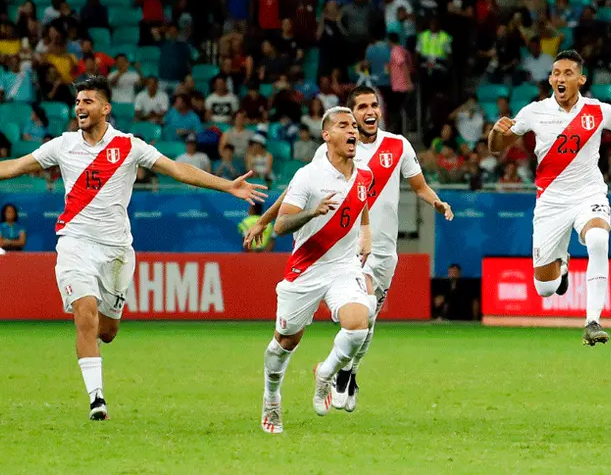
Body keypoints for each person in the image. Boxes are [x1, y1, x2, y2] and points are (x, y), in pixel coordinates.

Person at [0, 76, 265, 421]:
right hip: (74, 242)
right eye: (78, 102)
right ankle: (97, 399)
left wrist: (227, 186)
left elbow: (177, 169)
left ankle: (99, 343)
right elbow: (16, 166)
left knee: (107, 331)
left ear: (105, 108)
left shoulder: (129, 146)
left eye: (87, 101)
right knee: (84, 314)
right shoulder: (63, 145)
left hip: (116, 251)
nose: (80, 107)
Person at [247, 89, 454, 411]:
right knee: (362, 310)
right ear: (351, 115)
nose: (369, 111)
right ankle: (331, 374)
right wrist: (265, 220)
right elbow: (297, 190)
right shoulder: (331, 151)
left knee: (368, 320)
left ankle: (348, 373)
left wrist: (436, 202)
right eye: (362, 107)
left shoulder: (398, 145)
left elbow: (418, 187)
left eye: (374, 105)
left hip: (383, 250)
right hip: (346, 252)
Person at [488, 50, 611, 345]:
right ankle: (563, 266)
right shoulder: (534, 112)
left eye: (568, 73)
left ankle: (592, 321)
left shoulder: (599, 111)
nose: (560, 78)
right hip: (551, 202)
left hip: (589, 194)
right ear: (551, 79)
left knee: (597, 240)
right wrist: (496, 132)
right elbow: (496, 146)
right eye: (556, 73)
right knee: (545, 288)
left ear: (581, 79)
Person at [257, 107, 373, 434]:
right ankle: (271, 396)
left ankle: (325, 373)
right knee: (284, 342)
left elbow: (361, 207)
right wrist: (312, 212)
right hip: (306, 268)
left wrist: (366, 234)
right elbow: (281, 226)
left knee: (358, 326)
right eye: (343, 126)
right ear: (327, 135)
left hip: (343, 266)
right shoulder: (309, 176)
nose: (352, 131)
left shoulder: (364, 175)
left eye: (354, 126)